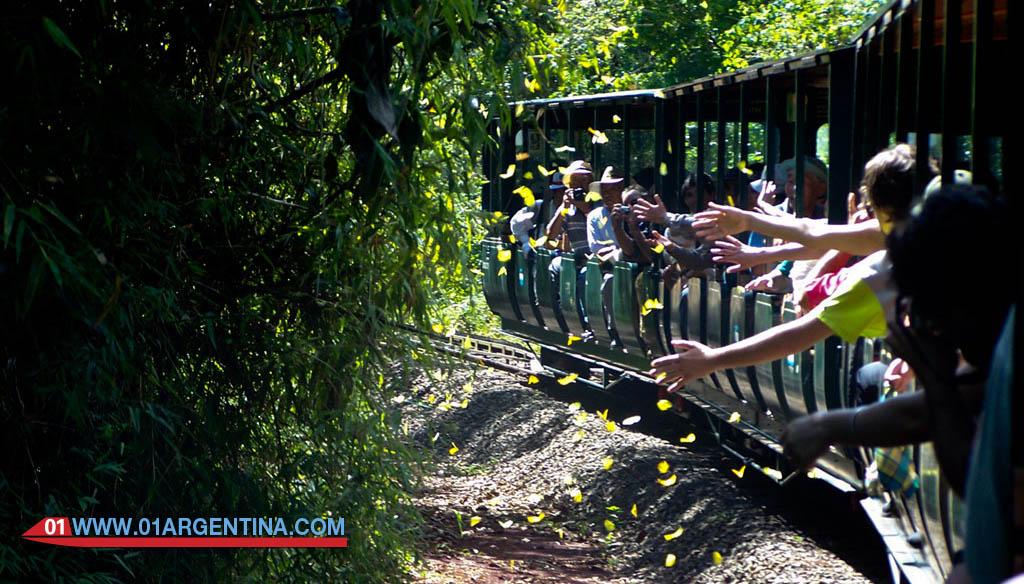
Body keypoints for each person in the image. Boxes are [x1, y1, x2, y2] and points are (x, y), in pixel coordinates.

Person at [649, 144, 926, 393]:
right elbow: (815, 233)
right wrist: (751, 227)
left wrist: (713, 360)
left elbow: (799, 332)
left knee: (870, 380)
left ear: (880, 207)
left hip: (944, 401)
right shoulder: (948, 229)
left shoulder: (881, 273)